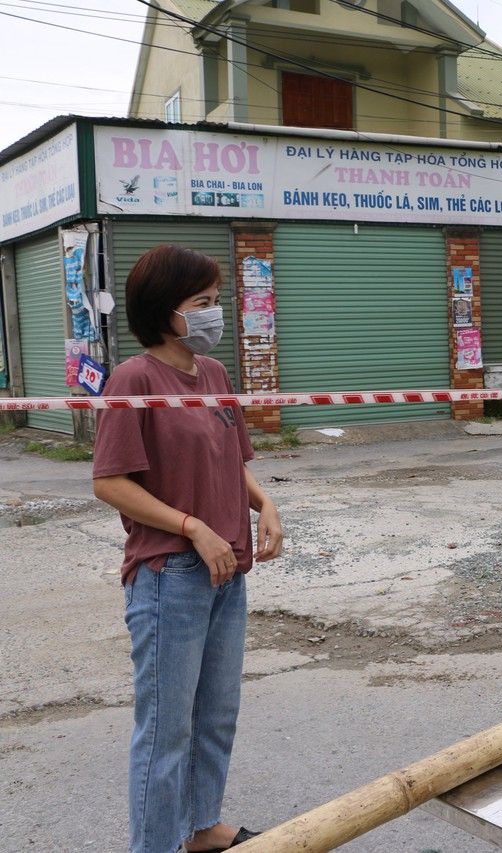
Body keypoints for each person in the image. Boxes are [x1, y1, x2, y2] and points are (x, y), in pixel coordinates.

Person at [92, 244, 284, 853]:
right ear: (166, 310)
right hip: (170, 574)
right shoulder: (134, 378)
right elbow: (109, 482)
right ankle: (153, 844)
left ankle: (201, 827)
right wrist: (190, 526)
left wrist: (266, 504)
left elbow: (234, 461)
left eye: (216, 301)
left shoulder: (217, 376)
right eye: (202, 302)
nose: (214, 313)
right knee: (165, 730)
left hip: (228, 571)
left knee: (215, 716)